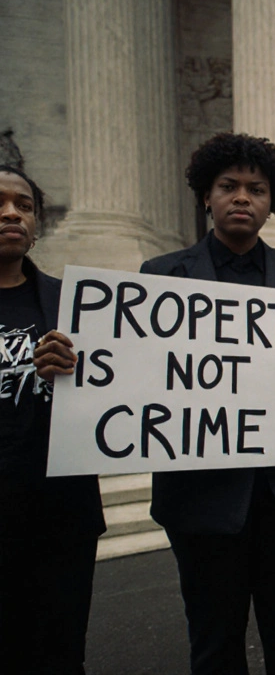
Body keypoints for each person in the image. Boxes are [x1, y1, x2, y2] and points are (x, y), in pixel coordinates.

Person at [32, 133, 275, 674]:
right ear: (206, 197)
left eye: (256, 189)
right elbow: (134, 380)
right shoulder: (161, 279)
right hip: (201, 502)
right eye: (228, 186)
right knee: (213, 642)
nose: (242, 198)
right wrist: (77, 370)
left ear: (272, 202)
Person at [4, 166, 104, 675]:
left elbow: (111, 394)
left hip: (59, 517)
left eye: (23, 205)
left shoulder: (76, 305)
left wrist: (78, 372)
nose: (11, 213)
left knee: (63, 653)